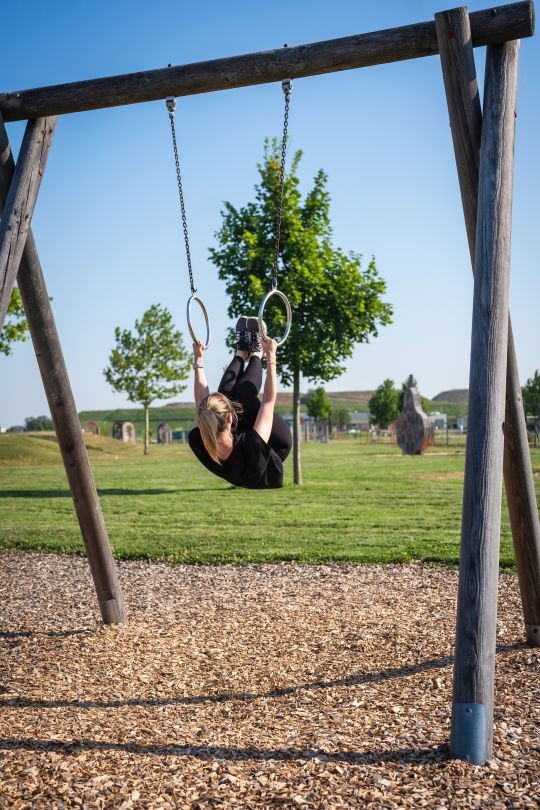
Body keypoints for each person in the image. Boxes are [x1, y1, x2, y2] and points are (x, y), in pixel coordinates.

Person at [188, 317, 292, 488]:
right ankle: (255, 351)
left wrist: (198, 360)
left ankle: (242, 352)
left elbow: (201, 401)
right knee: (243, 395)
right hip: (272, 448)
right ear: (230, 419)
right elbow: (268, 401)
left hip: (240, 444)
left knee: (225, 395)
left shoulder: (198, 438)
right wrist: (270, 356)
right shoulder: (252, 445)